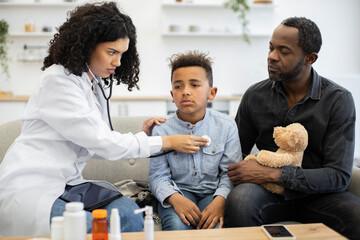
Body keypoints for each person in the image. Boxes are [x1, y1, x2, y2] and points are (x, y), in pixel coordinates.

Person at [0, 2, 209, 237]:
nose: (118, 62)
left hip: (67, 184)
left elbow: (95, 143)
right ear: (87, 45)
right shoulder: (58, 82)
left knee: (130, 214)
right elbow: (103, 143)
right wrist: (168, 142)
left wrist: (142, 137)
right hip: (33, 186)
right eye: (112, 52)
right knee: (87, 225)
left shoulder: (91, 82)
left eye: (122, 54)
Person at [224, 17, 360, 239]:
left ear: (310, 58)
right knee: (240, 201)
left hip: (321, 195)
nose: (272, 56)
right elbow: (235, 153)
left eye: (283, 51)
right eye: (271, 47)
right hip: (266, 192)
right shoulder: (254, 95)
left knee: (356, 215)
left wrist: (274, 173)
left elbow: (338, 175)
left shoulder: (338, 100)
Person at [149, 51, 241, 231]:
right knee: (177, 225)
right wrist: (175, 198)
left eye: (195, 85)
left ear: (211, 92)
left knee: (213, 228)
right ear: (172, 95)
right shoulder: (161, 129)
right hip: (178, 193)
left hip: (213, 194)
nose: (185, 92)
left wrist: (220, 200)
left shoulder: (227, 126)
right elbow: (157, 177)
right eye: (178, 86)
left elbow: (230, 173)